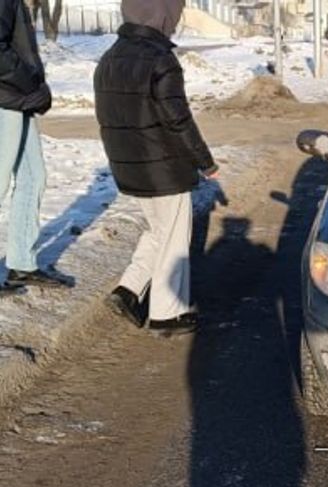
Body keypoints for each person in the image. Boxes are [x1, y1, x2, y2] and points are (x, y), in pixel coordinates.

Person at [95, 0, 218, 336]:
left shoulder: (109, 58)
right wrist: (205, 163)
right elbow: (178, 120)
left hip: (128, 165)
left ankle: (129, 291)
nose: (175, 21)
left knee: (158, 230)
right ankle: (168, 313)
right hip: (163, 166)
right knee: (175, 236)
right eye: (173, 14)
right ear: (161, 14)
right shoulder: (160, 59)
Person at [1, 0, 72, 294]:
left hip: (17, 99)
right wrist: (31, 83)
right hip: (7, 98)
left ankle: (22, 264)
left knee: (33, 177)